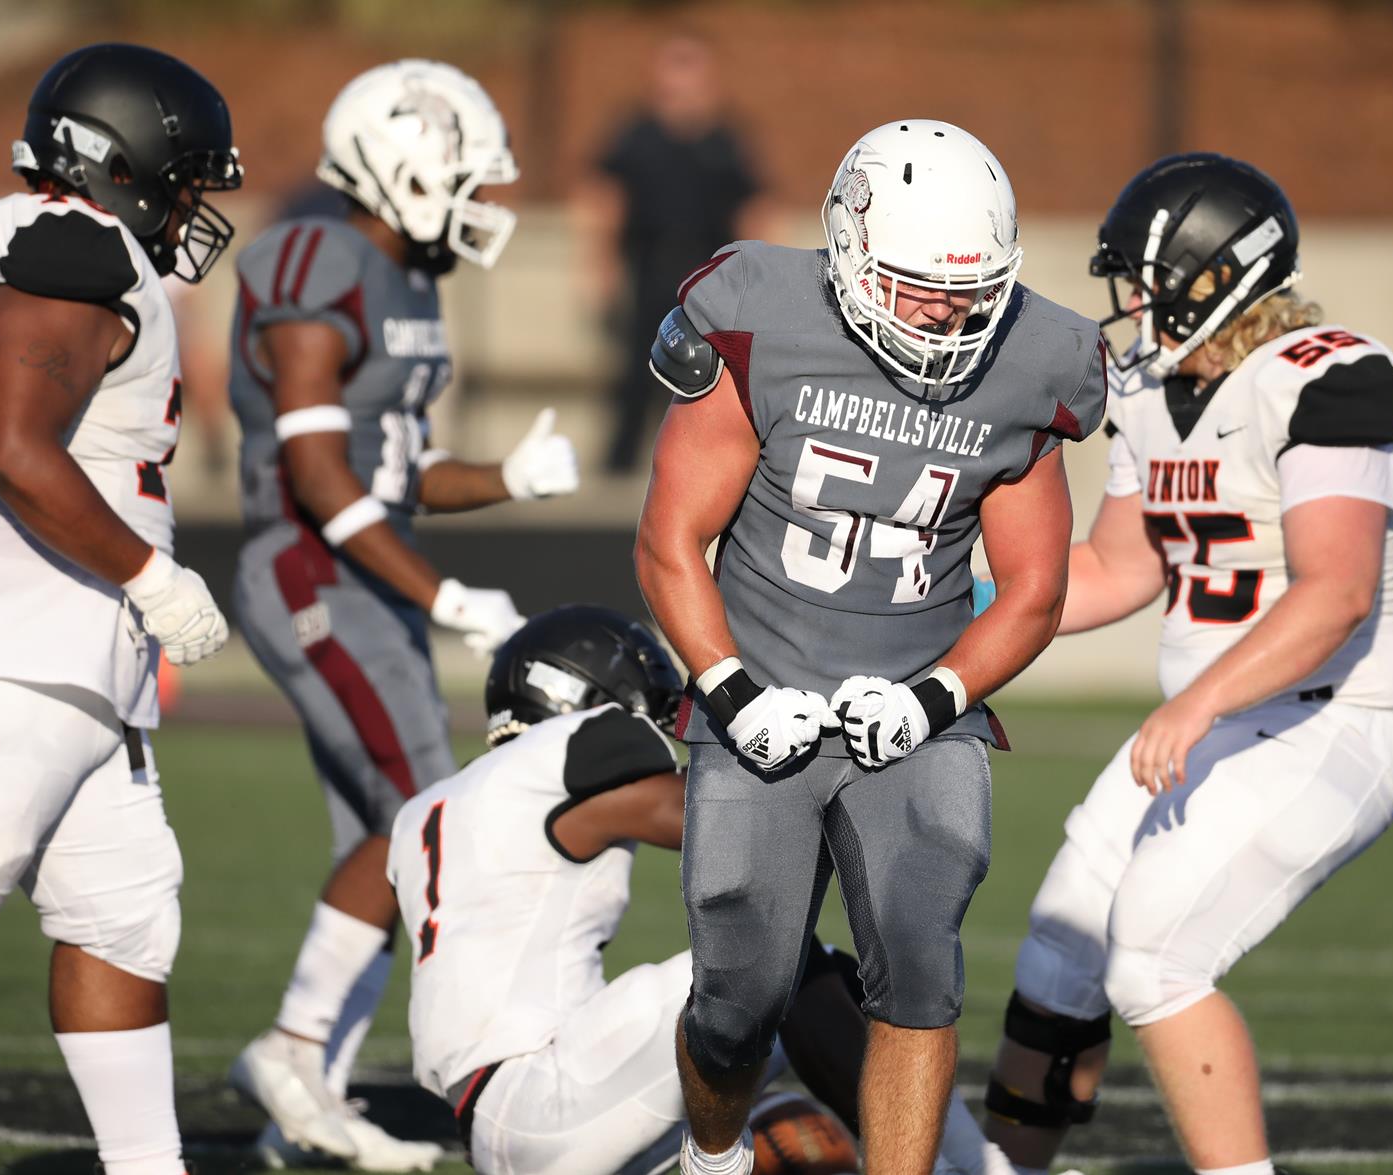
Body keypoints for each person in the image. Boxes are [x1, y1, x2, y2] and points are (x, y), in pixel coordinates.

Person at [635, 118, 1109, 1175]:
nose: (948, 310)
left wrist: (934, 698)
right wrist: (729, 690)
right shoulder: (758, 312)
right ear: (848, 250)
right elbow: (671, 538)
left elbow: (1034, 587)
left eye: (972, 287)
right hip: (755, 689)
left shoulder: (1031, 357)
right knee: (737, 994)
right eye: (918, 283)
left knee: (919, 956)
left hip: (915, 704)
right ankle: (711, 1157)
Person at [976, 153, 1393, 1175]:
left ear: (1210, 276)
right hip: (1215, 719)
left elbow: (1335, 590)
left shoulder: (1329, 376)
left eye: (1139, 279)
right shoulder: (1148, 385)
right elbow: (1110, 567)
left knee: (1155, 951)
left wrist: (1195, 705)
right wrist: (948, 607)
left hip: (1332, 715)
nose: (1126, 303)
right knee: (1059, 949)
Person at [224, 59, 581, 1172]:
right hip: (306, 567)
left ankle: (310, 1086)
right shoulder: (314, 258)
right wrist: (444, 594)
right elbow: (326, 480)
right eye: (463, 179)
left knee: (382, 836)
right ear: (405, 168)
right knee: (423, 810)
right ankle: (290, 1048)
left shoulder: (406, 278)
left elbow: (396, 466)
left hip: (362, 571)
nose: (478, 203)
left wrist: (508, 478)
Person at [387, 606, 994, 1175]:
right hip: (544, 1095)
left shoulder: (424, 809)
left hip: (502, 1125)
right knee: (786, 970)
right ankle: (967, 1169)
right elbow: (736, 822)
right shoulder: (569, 749)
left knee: (773, 1120)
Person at [0, 42, 242, 1175]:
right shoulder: (71, 242)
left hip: (71, 657)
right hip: (14, 646)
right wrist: (150, 574)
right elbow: (18, 448)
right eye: (181, 177)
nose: (186, 204)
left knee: (125, 909)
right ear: (123, 160)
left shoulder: (70, 243)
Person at [582, 31, 763, 473]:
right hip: (649, 267)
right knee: (635, 374)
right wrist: (598, 269)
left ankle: (697, 470)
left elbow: (753, 211)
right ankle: (618, 470)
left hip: (708, 276)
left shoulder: (725, 141)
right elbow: (604, 200)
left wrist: (755, 283)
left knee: (710, 376)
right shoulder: (637, 135)